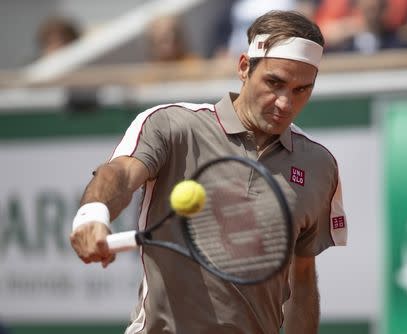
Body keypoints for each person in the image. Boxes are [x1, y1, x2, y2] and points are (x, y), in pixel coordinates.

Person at [70, 10, 347, 334]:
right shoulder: (170, 125)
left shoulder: (319, 165)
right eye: (275, 83)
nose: (285, 102)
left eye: (302, 89)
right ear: (244, 67)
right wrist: (93, 214)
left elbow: (302, 283)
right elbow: (119, 174)